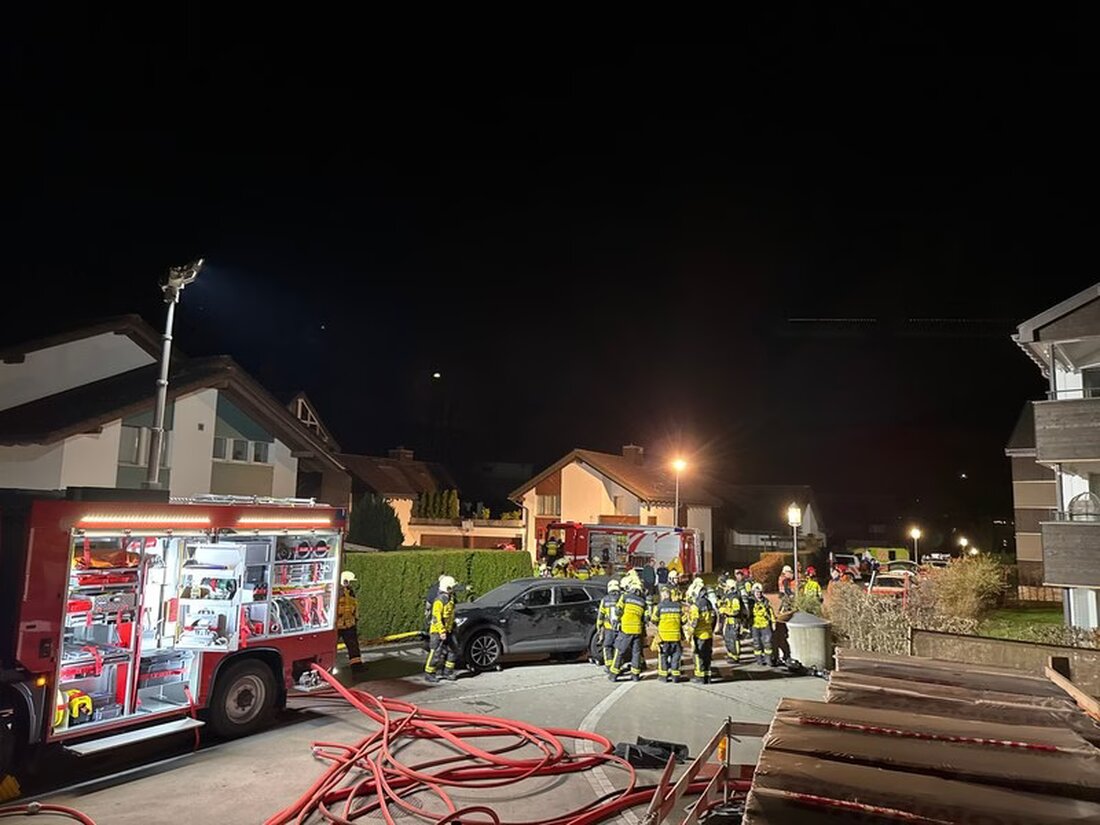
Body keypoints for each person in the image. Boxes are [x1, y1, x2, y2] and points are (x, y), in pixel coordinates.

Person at [609, 578, 647, 682]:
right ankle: (635, 675)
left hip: (626, 629)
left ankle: (614, 674)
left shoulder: (625, 597)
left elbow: (618, 611)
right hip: (637, 630)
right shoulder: (643, 602)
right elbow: (646, 618)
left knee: (620, 651)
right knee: (636, 653)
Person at [425, 575, 459, 683]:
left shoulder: (450, 598)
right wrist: (442, 631)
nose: (454, 589)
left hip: (449, 629)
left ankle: (448, 671)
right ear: (448, 588)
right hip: (437, 631)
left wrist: (452, 626)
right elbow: (436, 618)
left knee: (453, 649)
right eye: (452, 587)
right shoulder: (439, 601)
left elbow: (450, 614)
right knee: (436, 652)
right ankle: (429, 673)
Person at [685, 578, 716, 683]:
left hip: (699, 635)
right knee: (707, 656)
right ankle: (707, 676)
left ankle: (700, 677)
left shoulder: (696, 606)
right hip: (708, 634)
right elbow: (714, 617)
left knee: (698, 656)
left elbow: (695, 621)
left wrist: (689, 633)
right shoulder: (708, 603)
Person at [653, 584, 683, 683]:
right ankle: (675, 677)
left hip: (663, 637)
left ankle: (663, 676)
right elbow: (684, 620)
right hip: (676, 637)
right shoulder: (678, 606)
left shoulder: (659, 607)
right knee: (675, 656)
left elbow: (654, 619)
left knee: (663, 656)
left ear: (663, 596)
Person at [336, 571, 364, 671]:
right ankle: (326, 667)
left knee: (353, 645)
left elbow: (354, 606)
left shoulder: (349, 591)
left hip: (349, 623)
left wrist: (355, 618)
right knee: (330, 646)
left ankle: (357, 666)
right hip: (337, 625)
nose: (350, 583)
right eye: (348, 581)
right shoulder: (336, 591)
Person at [749, 583, 777, 666]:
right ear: (753, 592)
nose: (759, 594)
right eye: (757, 592)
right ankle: (759, 660)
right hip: (755, 625)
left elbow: (771, 612)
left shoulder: (766, 601)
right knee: (757, 643)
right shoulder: (751, 602)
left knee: (768, 642)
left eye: (760, 592)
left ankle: (768, 659)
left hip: (765, 624)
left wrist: (773, 622)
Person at [596, 580, 621, 669]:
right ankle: (617, 666)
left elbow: (601, 615)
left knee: (607, 646)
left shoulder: (605, 600)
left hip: (609, 628)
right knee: (618, 648)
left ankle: (609, 665)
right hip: (620, 628)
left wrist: (599, 626)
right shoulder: (622, 598)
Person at [718, 578, 742, 666]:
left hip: (734, 621)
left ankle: (735, 656)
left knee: (734, 639)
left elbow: (736, 611)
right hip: (728, 620)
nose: (725, 588)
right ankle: (730, 654)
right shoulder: (728, 596)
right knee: (727, 638)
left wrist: (725, 610)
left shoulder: (735, 598)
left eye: (727, 586)